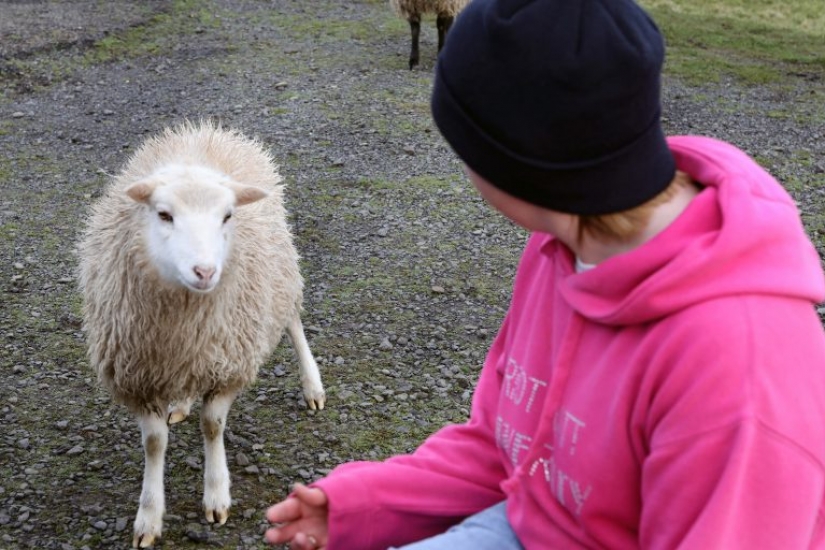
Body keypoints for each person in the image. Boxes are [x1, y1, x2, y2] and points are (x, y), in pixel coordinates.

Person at [264, 0, 825, 548]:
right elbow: (504, 447)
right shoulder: (562, 242)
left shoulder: (738, 367)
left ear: (516, 160)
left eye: (461, 142)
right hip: (530, 522)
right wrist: (366, 504)